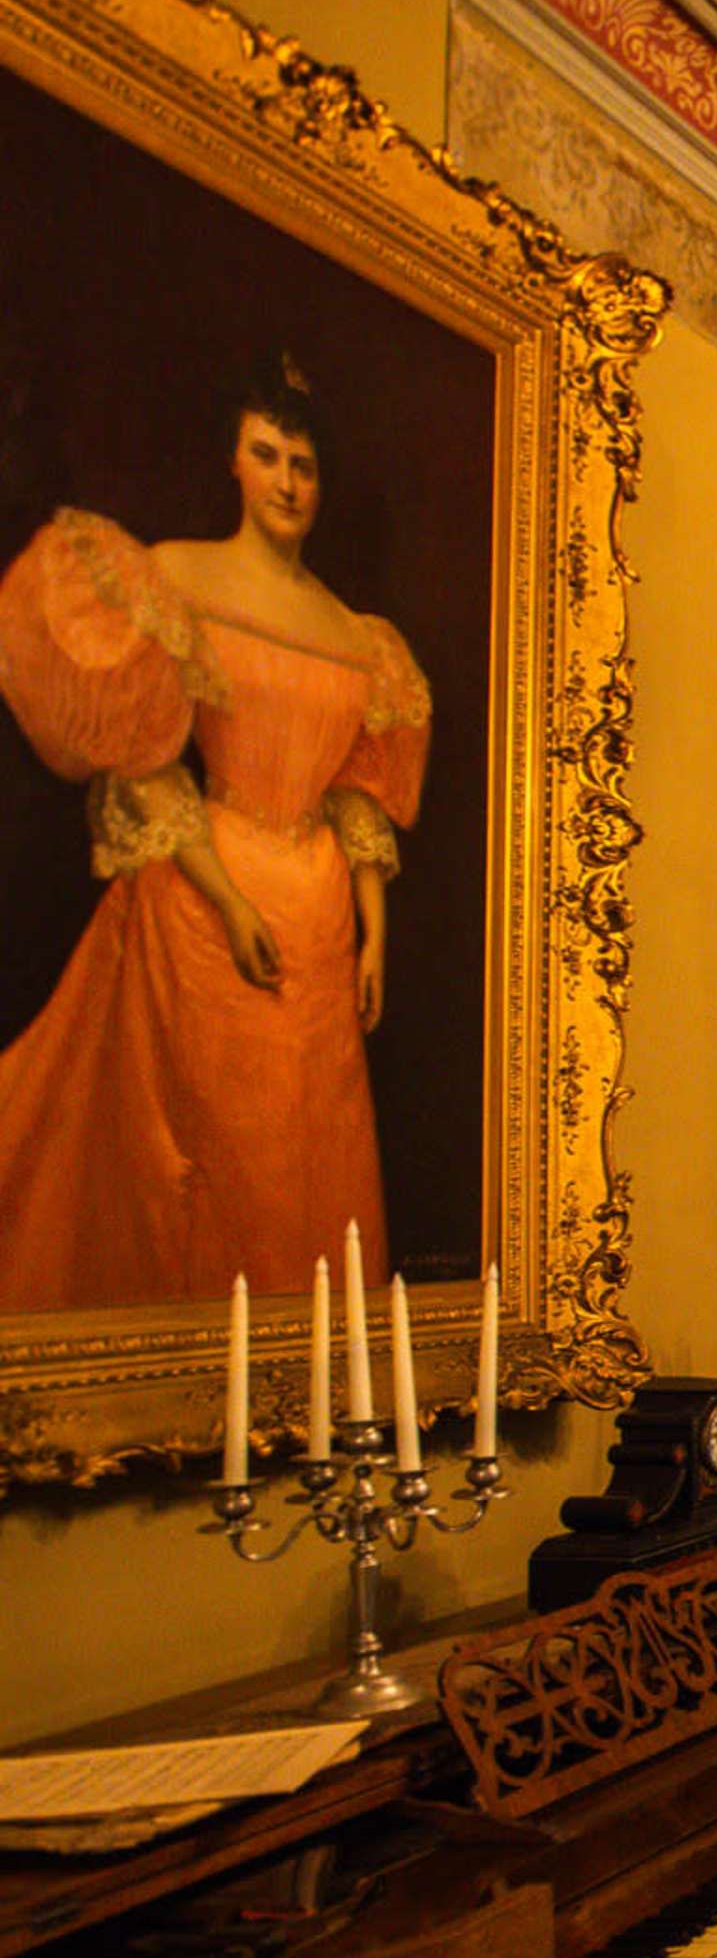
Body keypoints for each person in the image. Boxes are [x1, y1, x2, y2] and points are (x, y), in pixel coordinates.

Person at [0, 360, 427, 1311]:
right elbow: (146, 758)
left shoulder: (357, 634)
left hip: (320, 914)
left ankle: (301, 1395)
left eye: (303, 464)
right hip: (206, 894)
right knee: (214, 1152)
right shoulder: (180, 575)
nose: (285, 482)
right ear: (232, 463)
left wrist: (374, 930)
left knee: (311, 1158)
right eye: (266, 455)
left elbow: (358, 791)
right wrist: (229, 899)